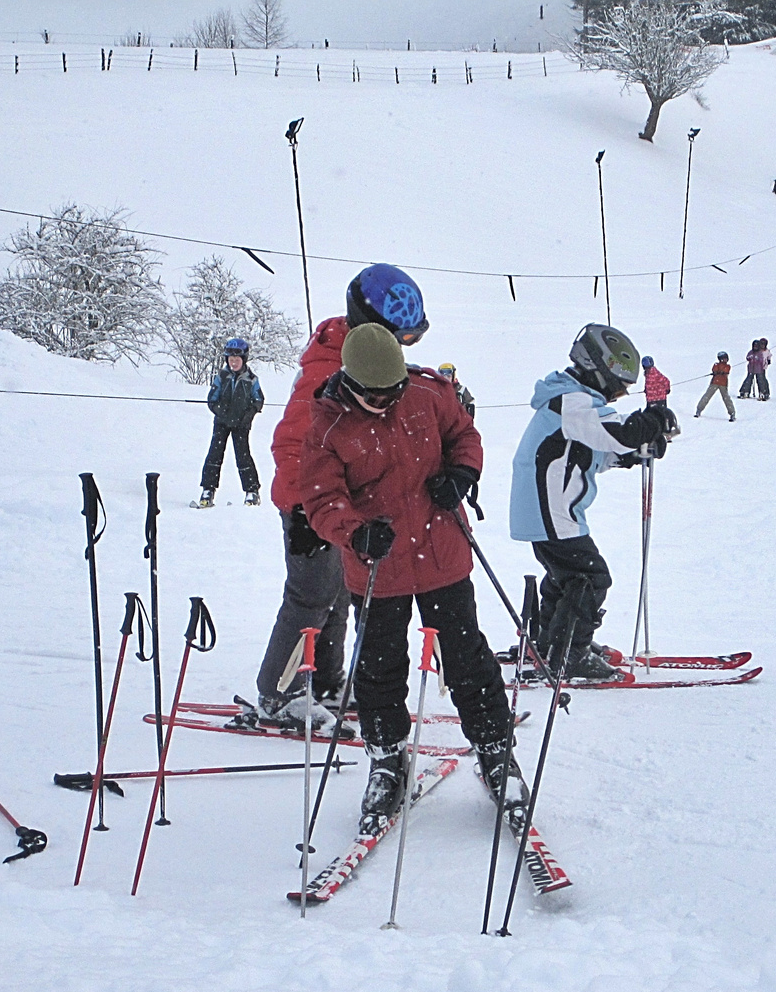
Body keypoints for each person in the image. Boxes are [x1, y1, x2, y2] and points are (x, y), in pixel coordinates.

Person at [300, 322, 528, 834]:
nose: (386, 401)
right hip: (378, 566)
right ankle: (385, 759)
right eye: (375, 395)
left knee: (467, 655)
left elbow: (463, 435)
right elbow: (318, 497)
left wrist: (463, 475)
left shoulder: (428, 392)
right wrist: (354, 531)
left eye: (393, 390)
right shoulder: (329, 425)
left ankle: (496, 751)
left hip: (442, 551)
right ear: (352, 384)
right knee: (379, 667)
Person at [240, 263, 430, 734]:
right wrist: (307, 509)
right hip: (312, 506)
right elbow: (292, 442)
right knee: (310, 596)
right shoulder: (331, 369)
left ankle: (323, 682)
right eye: (400, 339)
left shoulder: (359, 361)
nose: (402, 351)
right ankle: (277, 694)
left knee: (340, 592)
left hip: (344, 506)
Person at [508, 324, 676, 681]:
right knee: (590, 575)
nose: (620, 393)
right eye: (618, 384)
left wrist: (633, 454)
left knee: (568, 576)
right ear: (598, 372)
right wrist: (652, 419)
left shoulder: (575, 403)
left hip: (551, 507)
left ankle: (553, 642)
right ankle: (570, 653)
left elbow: (591, 451)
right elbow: (615, 433)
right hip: (549, 506)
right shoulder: (572, 401)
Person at [196, 338, 264, 508]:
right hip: (222, 423)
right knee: (214, 454)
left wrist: (247, 416)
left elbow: (258, 400)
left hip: (241, 424)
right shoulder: (222, 376)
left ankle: (252, 491)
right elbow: (212, 399)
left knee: (243, 456)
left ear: (244, 359)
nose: (233, 362)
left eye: (237, 359)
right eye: (231, 359)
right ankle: (208, 490)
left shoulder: (251, 379)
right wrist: (222, 412)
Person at [694, 351, 735, 421]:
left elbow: (727, 371)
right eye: (723, 359)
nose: (724, 360)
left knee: (726, 399)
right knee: (707, 396)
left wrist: (722, 372)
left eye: (725, 358)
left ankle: (732, 413)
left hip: (723, 384)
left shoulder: (728, 366)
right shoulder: (716, 364)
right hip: (714, 383)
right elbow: (714, 369)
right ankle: (699, 410)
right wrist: (716, 372)